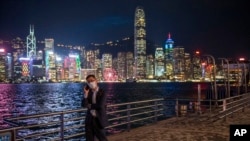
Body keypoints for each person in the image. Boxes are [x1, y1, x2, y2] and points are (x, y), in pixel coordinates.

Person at [82, 75, 108, 141]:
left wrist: (90, 106)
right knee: (89, 139)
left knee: (102, 138)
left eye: (92, 80)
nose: (90, 83)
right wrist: (85, 94)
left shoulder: (103, 92)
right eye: (88, 82)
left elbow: (100, 105)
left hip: (99, 119)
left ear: (96, 81)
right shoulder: (88, 93)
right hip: (89, 120)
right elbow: (84, 105)